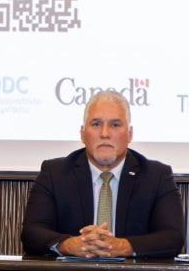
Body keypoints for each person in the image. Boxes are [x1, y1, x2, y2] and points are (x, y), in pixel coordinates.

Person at [21, 90, 184, 258]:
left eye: (115, 124)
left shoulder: (157, 176)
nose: (105, 133)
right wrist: (69, 245)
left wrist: (122, 246)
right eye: (96, 124)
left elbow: (173, 238)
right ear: (83, 133)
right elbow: (31, 233)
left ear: (130, 134)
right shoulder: (54, 173)